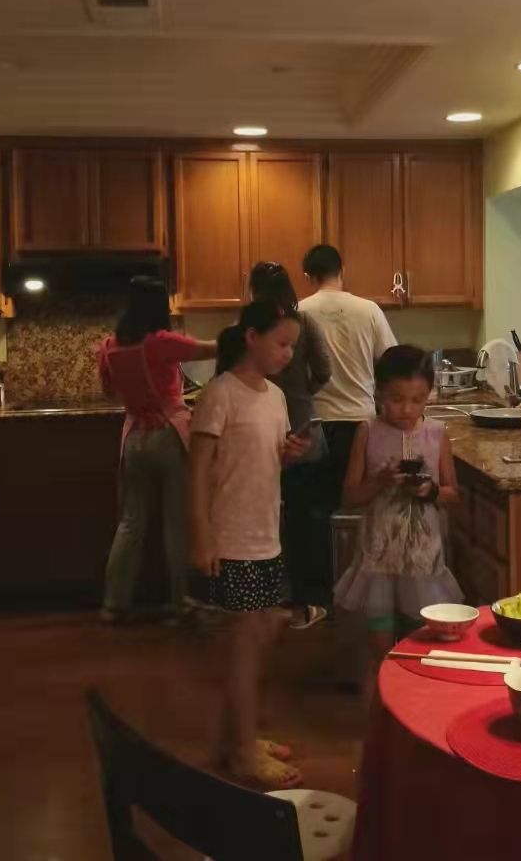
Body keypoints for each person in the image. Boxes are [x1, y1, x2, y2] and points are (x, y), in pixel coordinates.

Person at [189, 300, 312, 789]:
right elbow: (198, 471)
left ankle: (234, 739)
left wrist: (289, 454)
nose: (287, 354)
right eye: (281, 343)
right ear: (251, 337)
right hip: (232, 537)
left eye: (292, 346)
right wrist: (202, 536)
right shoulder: (221, 394)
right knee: (244, 645)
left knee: (261, 637)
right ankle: (241, 754)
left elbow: (262, 459)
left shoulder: (275, 396)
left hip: (266, 534)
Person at [334, 345, 462, 705]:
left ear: (429, 395)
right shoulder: (367, 432)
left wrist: (429, 490)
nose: (406, 409)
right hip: (379, 554)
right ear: (379, 394)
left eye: (417, 400)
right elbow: (350, 496)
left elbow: (452, 493)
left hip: (422, 556)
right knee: (379, 643)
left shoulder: (437, 434)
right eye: (396, 399)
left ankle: (413, 704)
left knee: (418, 640)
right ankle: (379, 706)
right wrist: (380, 481)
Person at [97, 276, 216, 623]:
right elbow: (208, 349)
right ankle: (181, 602)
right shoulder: (161, 342)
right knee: (176, 522)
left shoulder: (109, 346)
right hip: (168, 434)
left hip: (134, 436)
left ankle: (113, 603)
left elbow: (108, 392)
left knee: (131, 523)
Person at [296, 244, 397, 607]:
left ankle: (318, 598)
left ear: (308, 276)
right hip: (361, 425)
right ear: (342, 270)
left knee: (313, 513)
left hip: (315, 425)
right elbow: (392, 362)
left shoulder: (300, 312)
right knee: (363, 510)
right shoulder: (368, 310)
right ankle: (364, 592)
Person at [248, 261, 333, 629]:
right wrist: (302, 395)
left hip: (260, 434)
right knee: (307, 521)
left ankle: (267, 599)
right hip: (304, 428)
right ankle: (308, 601)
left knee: (267, 520)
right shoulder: (304, 323)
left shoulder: (251, 328)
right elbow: (325, 370)